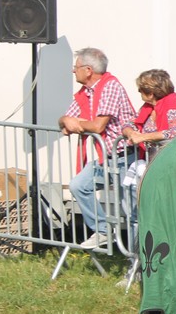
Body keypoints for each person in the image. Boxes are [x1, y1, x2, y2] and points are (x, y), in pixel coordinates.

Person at [58, 47, 137, 250]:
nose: (73, 70)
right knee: (78, 185)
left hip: (125, 158)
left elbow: (98, 126)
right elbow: (65, 122)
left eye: (76, 67)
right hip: (106, 159)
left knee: (132, 210)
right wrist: (66, 120)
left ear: (88, 70)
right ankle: (103, 230)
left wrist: (77, 124)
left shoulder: (110, 86)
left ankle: (138, 257)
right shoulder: (85, 93)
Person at [121, 69, 176, 156]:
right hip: (151, 158)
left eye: (140, 90)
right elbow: (128, 124)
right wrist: (132, 133)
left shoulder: (172, 104)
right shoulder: (147, 107)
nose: (139, 92)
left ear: (150, 94)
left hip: (172, 157)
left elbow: (174, 133)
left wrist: (143, 137)